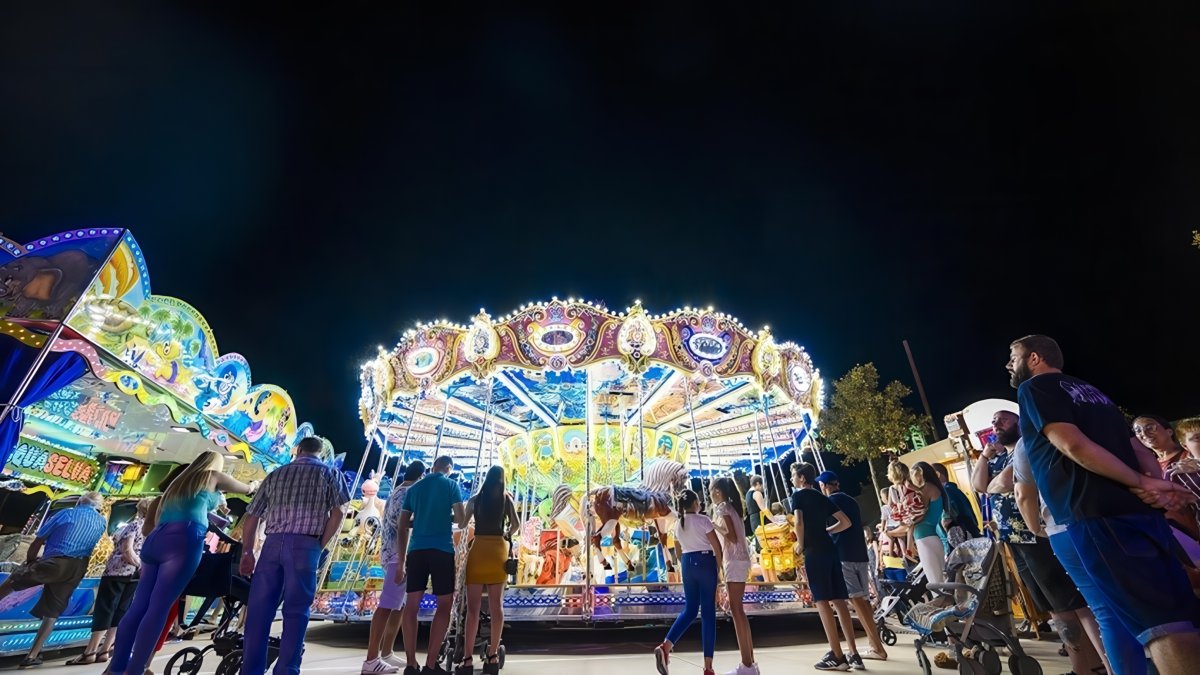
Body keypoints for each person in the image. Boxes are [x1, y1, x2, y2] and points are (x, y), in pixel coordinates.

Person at [1008, 334, 1200, 675]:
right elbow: (1140, 452)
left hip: (1097, 516)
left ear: (1034, 358)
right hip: (1139, 514)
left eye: (1013, 356)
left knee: (1160, 625)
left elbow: (1071, 444)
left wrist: (1143, 483)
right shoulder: (1092, 393)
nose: (1008, 364)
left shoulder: (1033, 390)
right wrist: (1153, 487)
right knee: (1179, 615)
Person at [108, 452, 252, 675]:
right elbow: (246, 489)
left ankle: (116, 668)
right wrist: (255, 486)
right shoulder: (212, 476)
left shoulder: (175, 488)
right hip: (185, 540)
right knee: (158, 608)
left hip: (156, 542)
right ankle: (135, 669)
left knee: (138, 607)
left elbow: (148, 529)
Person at [983, 418, 1106, 675]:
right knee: (1055, 607)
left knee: (1075, 602)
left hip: (1039, 536)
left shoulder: (1028, 444)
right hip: (1016, 540)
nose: (997, 423)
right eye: (994, 421)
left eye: (1004, 418)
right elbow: (982, 486)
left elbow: (1004, 485)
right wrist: (985, 460)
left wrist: (1031, 525)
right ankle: (1082, 668)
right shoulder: (1000, 458)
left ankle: (1105, 665)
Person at [1011, 436, 1134, 675]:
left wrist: (1035, 527)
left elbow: (1021, 491)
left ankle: (1118, 668)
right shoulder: (1094, 414)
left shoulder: (1030, 437)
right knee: (1141, 598)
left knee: (1102, 608)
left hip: (1066, 524)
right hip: (1122, 513)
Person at [239, 436, 349, 675]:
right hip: (306, 544)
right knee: (296, 611)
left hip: (272, 544)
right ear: (320, 453)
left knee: (259, 610)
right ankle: (286, 669)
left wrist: (247, 550)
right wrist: (320, 543)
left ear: (298, 450)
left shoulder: (276, 474)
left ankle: (250, 669)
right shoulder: (330, 474)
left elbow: (252, 517)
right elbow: (338, 513)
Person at [0, 491, 107, 668]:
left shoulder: (66, 513)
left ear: (79, 502)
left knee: (13, 582)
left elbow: (37, 541)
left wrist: (29, 563)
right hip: (77, 568)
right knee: (52, 613)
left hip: (55, 561)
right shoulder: (102, 522)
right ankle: (32, 656)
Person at [397, 456, 467, 675]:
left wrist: (401, 561)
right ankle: (430, 663)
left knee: (411, 606)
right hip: (442, 550)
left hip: (416, 550)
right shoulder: (451, 485)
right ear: (448, 469)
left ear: (432, 467)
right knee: (444, 604)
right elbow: (461, 520)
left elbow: (402, 526)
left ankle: (410, 663)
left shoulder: (414, 489)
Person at [66, 498, 152, 666]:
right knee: (121, 611)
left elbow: (127, 550)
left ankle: (90, 651)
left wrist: (135, 563)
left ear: (140, 509)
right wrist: (141, 568)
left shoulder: (134, 525)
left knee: (105, 609)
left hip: (116, 572)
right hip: (135, 576)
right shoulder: (153, 530)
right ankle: (105, 649)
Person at [790, 462, 858, 671]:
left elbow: (798, 522)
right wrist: (827, 530)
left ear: (802, 478)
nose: (792, 479)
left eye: (793, 475)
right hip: (830, 549)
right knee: (839, 599)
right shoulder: (821, 496)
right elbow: (846, 522)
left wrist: (800, 545)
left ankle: (837, 655)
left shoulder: (798, 495)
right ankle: (853, 652)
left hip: (814, 551)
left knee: (821, 601)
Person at [815, 471, 888, 663]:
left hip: (844, 555)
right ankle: (875, 644)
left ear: (824, 485)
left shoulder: (831, 502)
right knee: (862, 601)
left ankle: (877, 647)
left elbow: (843, 525)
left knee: (856, 601)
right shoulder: (851, 500)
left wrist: (825, 532)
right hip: (860, 555)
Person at [363, 460, 425, 675]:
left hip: (395, 554)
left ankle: (386, 652)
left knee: (398, 605)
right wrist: (402, 562)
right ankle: (371, 659)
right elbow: (403, 526)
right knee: (387, 605)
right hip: (398, 556)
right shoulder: (407, 494)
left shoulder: (399, 491)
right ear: (422, 476)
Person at [653, 489, 723, 675]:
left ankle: (666, 645)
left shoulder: (678, 523)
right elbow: (716, 547)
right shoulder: (703, 520)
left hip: (687, 563)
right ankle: (708, 666)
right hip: (705, 561)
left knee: (690, 609)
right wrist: (720, 571)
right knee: (708, 612)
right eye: (698, 501)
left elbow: (678, 548)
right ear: (694, 504)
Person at [459, 466, 520, 675]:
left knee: (473, 609)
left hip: (478, 550)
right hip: (497, 551)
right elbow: (516, 525)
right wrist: (505, 534)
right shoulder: (506, 499)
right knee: (497, 607)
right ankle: (492, 655)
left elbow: (463, 523)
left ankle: (467, 659)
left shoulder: (475, 499)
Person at [709, 476, 758, 675]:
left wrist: (713, 525)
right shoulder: (732, 507)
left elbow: (731, 536)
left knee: (736, 611)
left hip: (734, 560)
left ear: (718, 492)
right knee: (739, 611)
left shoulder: (722, 509)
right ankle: (750, 662)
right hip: (740, 559)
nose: (710, 494)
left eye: (711, 490)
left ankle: (746, 664)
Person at [909, 462, 947, 584]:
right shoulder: (933, 487)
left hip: (925, 537)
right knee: (940, 578)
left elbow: (919, 513)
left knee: (936, 581)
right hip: (929, 536)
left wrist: (908, 521)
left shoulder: (927, 488)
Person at [931, 463, 981, 539]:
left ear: (937, 474)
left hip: (964, 536)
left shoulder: (946, 492)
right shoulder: (954, 490)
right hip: (971, 532)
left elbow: (948, 521)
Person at [744, 475, 769, 543]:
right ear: (758, 483)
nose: (764, 488)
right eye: (763, 485)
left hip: (753, 521)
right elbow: (764, 510)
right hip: (759, 519)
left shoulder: (747, 494)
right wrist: (775, 521)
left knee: (760, 542)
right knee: (764, 542)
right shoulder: (756, 493)